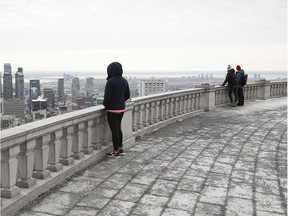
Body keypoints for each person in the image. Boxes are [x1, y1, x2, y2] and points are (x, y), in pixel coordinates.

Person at [103, 62, 130, 158]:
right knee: (118, 128)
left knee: (114, 130)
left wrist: (106, 105)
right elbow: (127, 95)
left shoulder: (110, 82)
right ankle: (121, 148)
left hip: (111, 110)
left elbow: (106, 98)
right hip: (121, 108)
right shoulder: (124, 81)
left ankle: (115, 151)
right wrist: (120, 102)